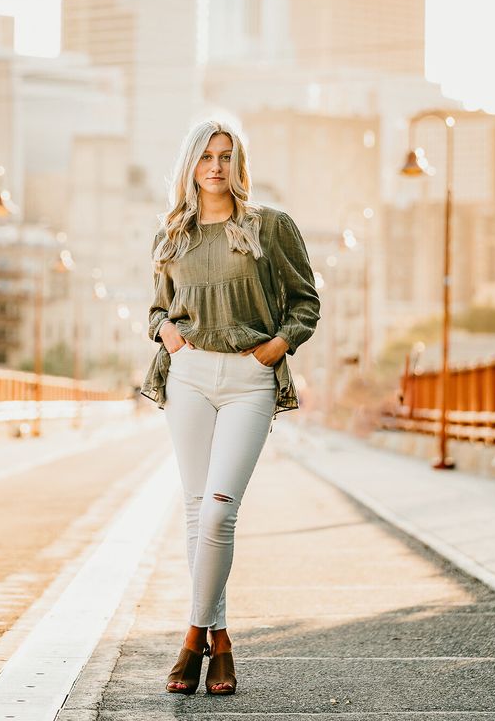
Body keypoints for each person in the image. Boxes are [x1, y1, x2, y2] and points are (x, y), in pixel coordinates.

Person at [141, 119, 321, 696]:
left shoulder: (270, 226)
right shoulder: (173, 234)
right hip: (189, 376)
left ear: (239, 164)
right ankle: (221, 644)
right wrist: (166, 332)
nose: (215, 167)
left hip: (249, 378)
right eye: (206, 157)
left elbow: (305, 302)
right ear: (190, 166)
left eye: (226, 156)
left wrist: (278, 345)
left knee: (219, 511)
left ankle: (193, 637)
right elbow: (156, 310)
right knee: (197, 512)